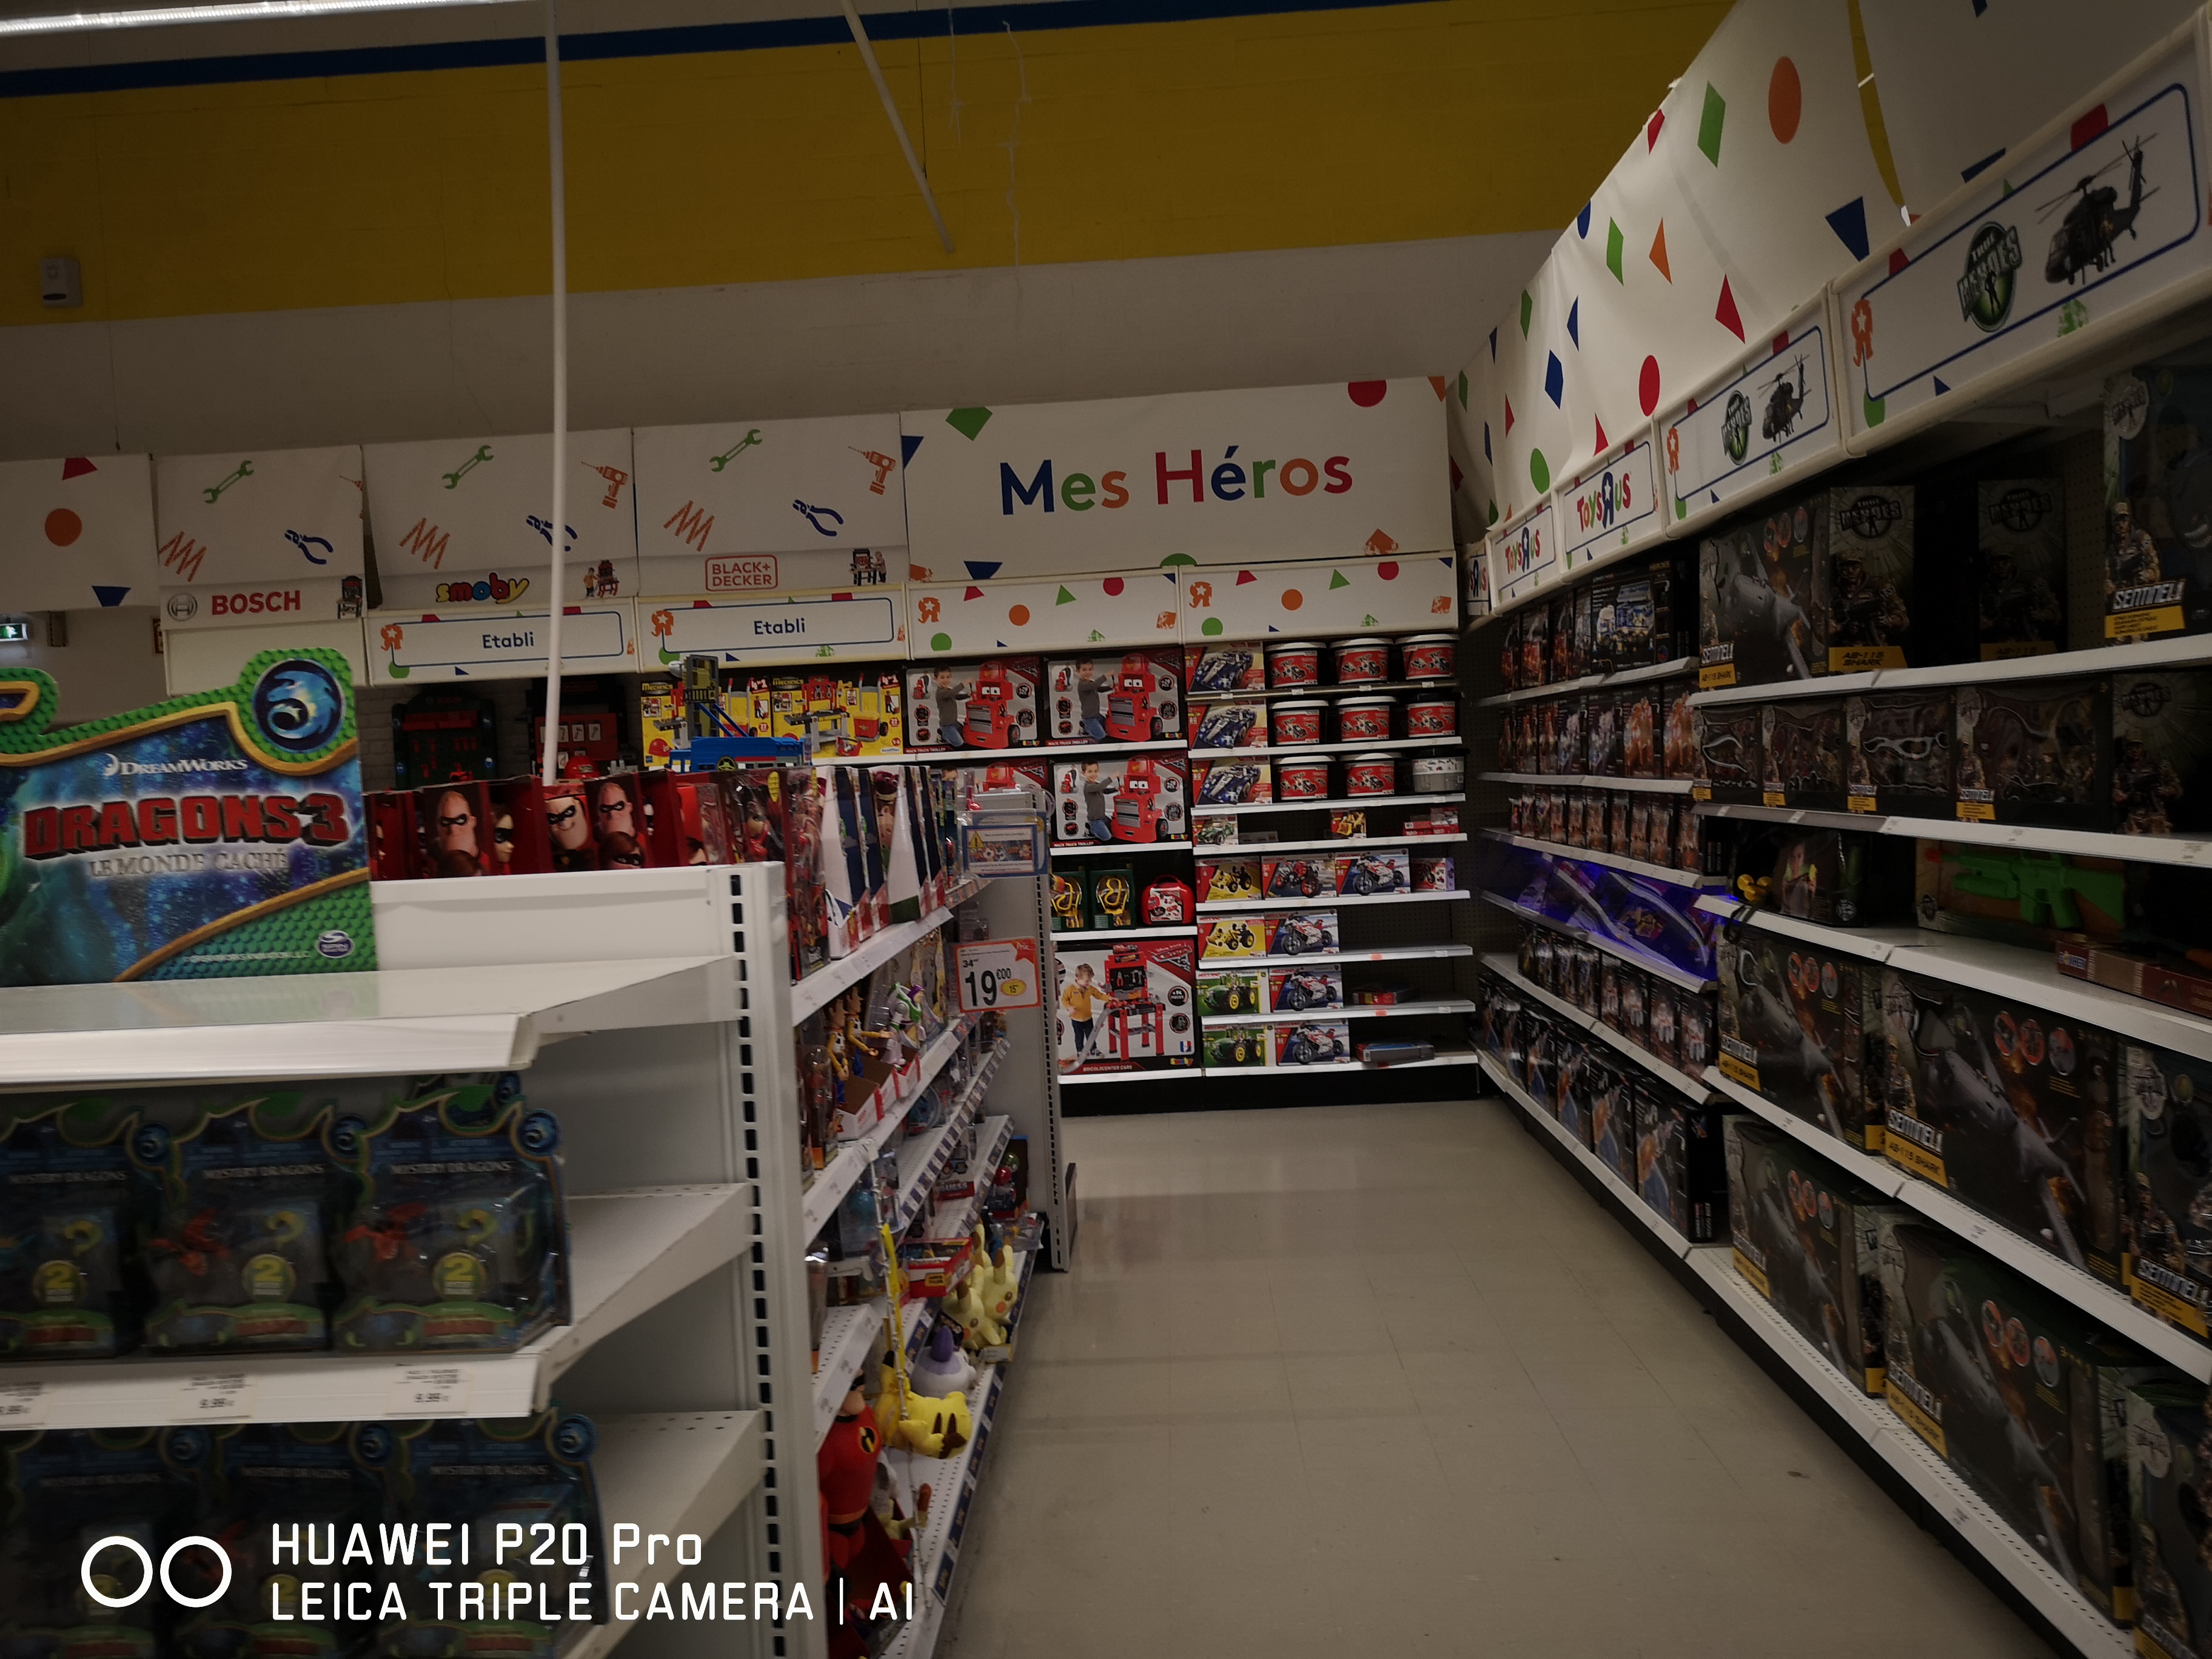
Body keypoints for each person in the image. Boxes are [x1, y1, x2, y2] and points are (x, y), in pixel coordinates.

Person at [1060, 962, 1100, 1067]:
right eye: (1087, 981)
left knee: (1091, 1034)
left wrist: (1109, 998)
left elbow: (1099, 995)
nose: (1089, 983)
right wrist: (1069, 1007)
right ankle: (1080, 1051)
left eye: (1090, 980)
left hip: (1088, 1017)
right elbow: (1064, 999)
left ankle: (1093, 1049)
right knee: (1079, 1036)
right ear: (1078, 978)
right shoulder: (1070, 990)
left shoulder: (1090, 988)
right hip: (1076, 1019)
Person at [1074, 659, 1109, 740]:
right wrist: (1105, 676)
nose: (1088, 672)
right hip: (1089, 718)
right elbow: (1095, 685)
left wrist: (1110, 687)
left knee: (1109, 728)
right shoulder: (1082, 685)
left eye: (1090, 669)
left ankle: (1085, 726)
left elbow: (1099, 689)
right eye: (1084, 670)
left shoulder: (1090, 683)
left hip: (1097, 715)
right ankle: (1085, 729)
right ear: (1078, 672)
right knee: (1101, 736)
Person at [1080, 760, 1114, 842]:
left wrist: (1116, 789)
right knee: (1107, 837)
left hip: (1102, 817)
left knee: (1114, 829)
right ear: (1084, 773)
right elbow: (1101, 787)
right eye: (1090, 772)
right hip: (1095, 819)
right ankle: (1091, 830)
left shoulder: (1096, 785)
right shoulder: (1088, 787)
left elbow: (1105, 790)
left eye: (1096, 771)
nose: (1093, 774)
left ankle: (1097, 828)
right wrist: (1111, 778)